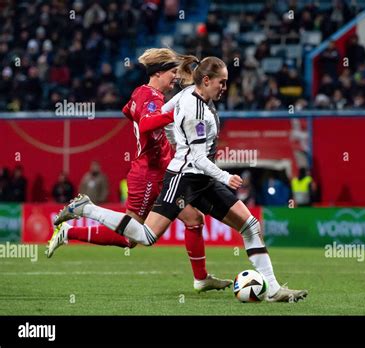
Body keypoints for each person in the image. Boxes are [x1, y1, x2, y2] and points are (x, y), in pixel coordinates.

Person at [54, 56, 308, 302]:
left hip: (202, 179)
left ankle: (272, 289)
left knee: (249, 225)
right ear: (207, 80)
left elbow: (163, 118)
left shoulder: (187, 95)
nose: (225, 88)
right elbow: (197, 158)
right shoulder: (196, 110)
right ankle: (87, 208)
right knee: (145, 236)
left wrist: (175, 138)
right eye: (222, 82)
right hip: (183, 178)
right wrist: (225, 176)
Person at [47, 49, 231, 292]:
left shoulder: (141, 94)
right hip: (148, 174)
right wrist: (173, 114)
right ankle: (81, 216)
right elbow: (145, 123)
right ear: (158, 73)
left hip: (163, 170)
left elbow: (129, 112)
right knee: (131, 238)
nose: (175, 78)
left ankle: (201, 278)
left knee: (194, 219)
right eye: (172, 73)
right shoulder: (153, 98)